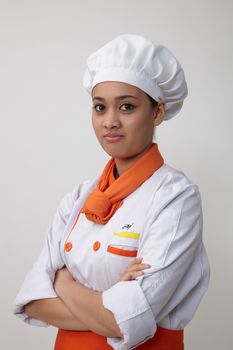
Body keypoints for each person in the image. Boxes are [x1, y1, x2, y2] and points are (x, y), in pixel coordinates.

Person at [13, 34, 210, 350]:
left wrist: (63, 282)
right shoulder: (78, 197)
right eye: (100, 107)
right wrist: (108, 302)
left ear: (157, 112)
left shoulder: (176, 198)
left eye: (127, 106)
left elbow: (122, 322)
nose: (110, 122)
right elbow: (33, 303)